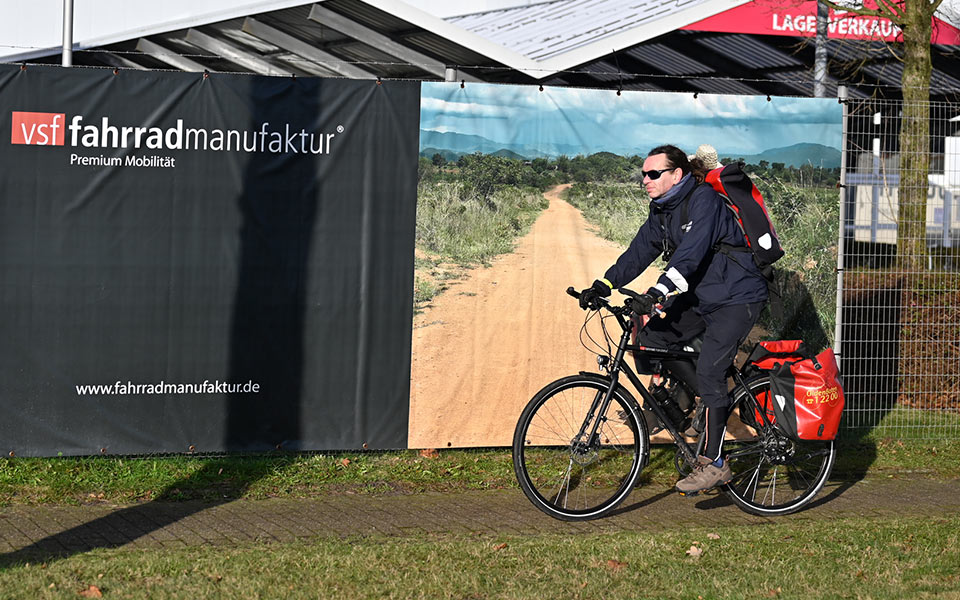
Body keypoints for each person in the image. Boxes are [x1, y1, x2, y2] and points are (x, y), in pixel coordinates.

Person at [577, 144, 768, 496]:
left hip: (737, 296)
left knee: (712, 371)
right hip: (702, 296)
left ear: (676, 174)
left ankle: (715, 463)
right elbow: (639, 252)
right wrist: (603, 284)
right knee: (652, 339)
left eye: (653, 174)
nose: (645, 180)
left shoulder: (704, 200)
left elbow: (690, 257)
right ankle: (684, 405)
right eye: (643, 175)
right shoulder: (663, 210)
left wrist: (657, 293)